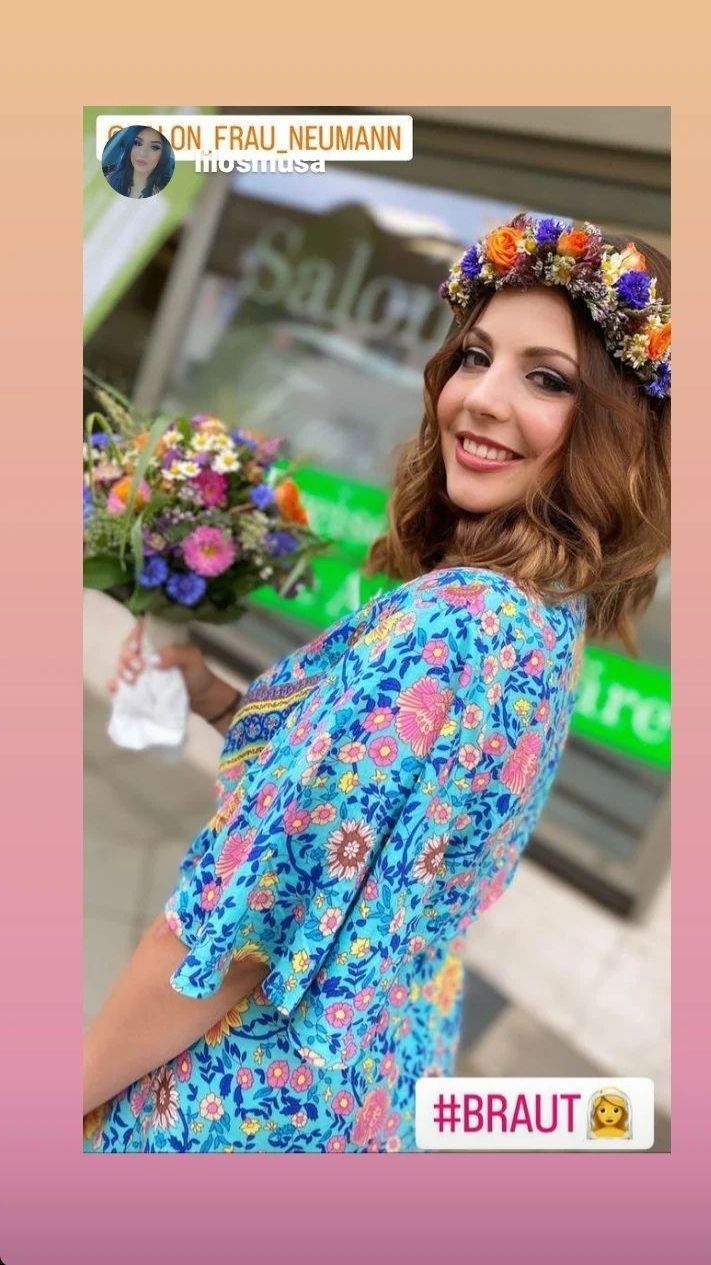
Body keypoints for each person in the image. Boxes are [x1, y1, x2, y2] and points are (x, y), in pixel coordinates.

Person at [83, 212, 670, 1153]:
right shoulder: (545, 622)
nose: (479, 399)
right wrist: (211, 695)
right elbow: (358, 810)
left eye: (547, 378)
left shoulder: (450, 627)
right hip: (366, 1087)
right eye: (474, 356)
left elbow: (225, 940)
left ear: (619, 433)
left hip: (234, 1108)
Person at [104, 125, 175, 199]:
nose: (142, 153)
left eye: (154, 147)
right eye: (137, 143)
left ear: (163, 155)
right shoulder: (109, 181)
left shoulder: (167, 196)